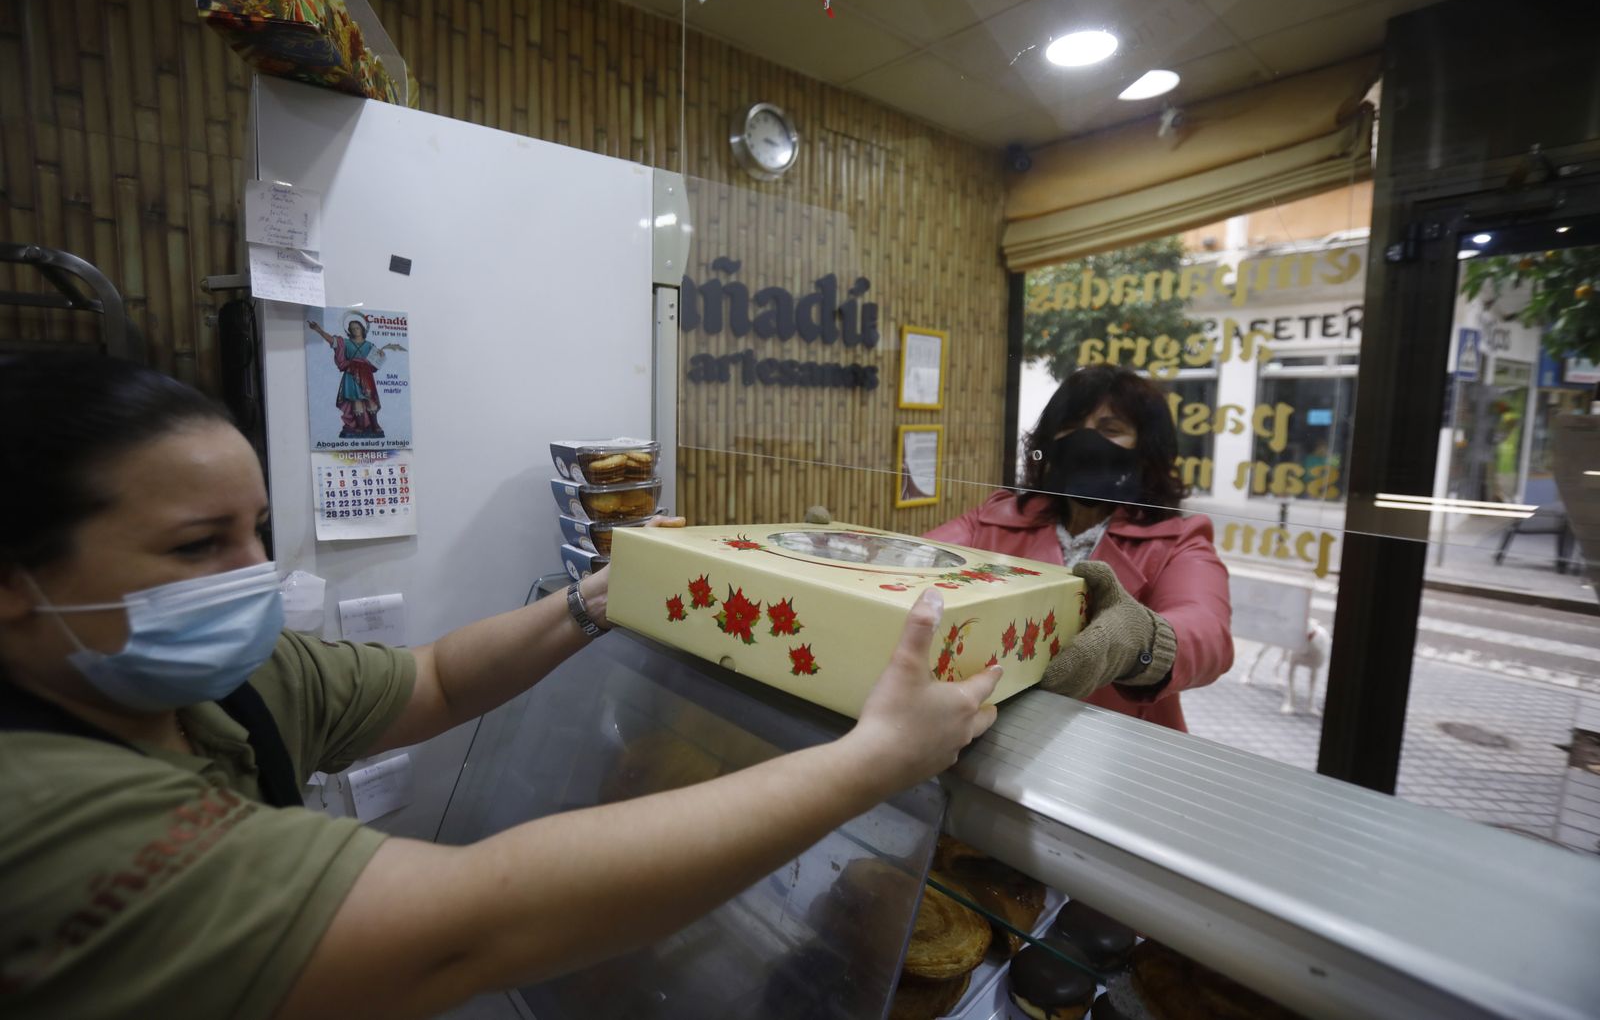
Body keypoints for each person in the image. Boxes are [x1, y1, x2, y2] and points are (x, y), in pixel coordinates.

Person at [0, 353, 1003, 1020]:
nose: (251, 570)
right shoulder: (43, 813)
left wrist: (599, 599)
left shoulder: (228, 687)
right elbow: (475, 923)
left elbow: (433, 677)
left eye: (253, 530)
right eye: (196, 544)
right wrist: (874, 761)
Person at [927, 364, 1232, 731]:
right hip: (992, 729)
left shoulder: (1179, 539)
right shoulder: (995, 517)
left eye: (1111, 430)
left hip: (1110, 745)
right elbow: (918, 559)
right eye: (1069, 427)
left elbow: (1210, 633)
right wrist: (844, 545)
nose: (1084, 442)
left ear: (1147, 451)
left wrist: (1143, 640)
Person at [307, 313, 399, 438]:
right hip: (351, 375)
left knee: (370, 399)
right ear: (349, 331)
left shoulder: (369, 345)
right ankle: (359, 426)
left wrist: (380, 355)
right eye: (352, 328)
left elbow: (375, 361)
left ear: (362, 329)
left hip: (366, 375)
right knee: (356, 401)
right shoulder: (344, 343)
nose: (355, 330)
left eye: (357, 327)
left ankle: (374, 425)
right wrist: (318, 330)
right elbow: (332, 340)